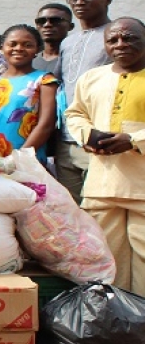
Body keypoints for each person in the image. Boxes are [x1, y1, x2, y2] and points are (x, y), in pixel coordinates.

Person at [65, 17, 145, 296]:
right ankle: (118, 324)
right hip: (102, 186)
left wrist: (134, 140)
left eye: (130, 38)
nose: (121, 44)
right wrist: (86, 134)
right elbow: (74, 114)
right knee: (107, 260)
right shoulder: (92, 78)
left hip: (142, 188)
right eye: (113, 40)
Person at [56, 0, 114, 203]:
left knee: (100, 208)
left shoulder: (117, 36)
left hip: (100, 138)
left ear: (108, 0)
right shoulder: (67, 42)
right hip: (66, 140)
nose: (80, 2)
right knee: (70, 209)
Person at [0, 25, 59, 163]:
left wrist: (19, 158)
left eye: (27, 45)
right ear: (2, 47)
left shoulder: (44, 81)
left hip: (25, 160)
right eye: (12, 44)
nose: (19, 48)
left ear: (37, 49)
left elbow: (46, 124)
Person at [33, 3, 74, 76]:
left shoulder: (76, 59)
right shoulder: (29, 61)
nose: (47, 25)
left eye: (55, 20)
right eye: (41, 21)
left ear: (70, 26)